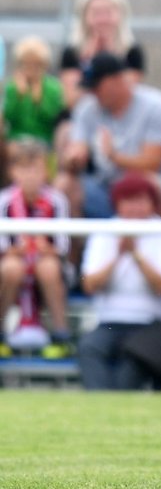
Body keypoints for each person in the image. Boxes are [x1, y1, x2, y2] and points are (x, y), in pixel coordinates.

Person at [77, 173, 161, 390]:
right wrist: (117, 256)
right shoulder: (105, 232)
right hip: (110, 322)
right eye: (128, 200)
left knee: (134, 358)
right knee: (89, 347)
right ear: (117, 204)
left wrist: (135, 255)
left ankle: (115, 409)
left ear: (152, 203)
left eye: (140, 200)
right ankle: (99, 406)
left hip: (152, 323)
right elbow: (89, 285)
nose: (134, 207)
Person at [59, 51, 161, 219]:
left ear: (116, 80)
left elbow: (154, 163)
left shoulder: (155, 106)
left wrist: (114, 156)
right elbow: (77, 147)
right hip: (104, 188)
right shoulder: (87, 108)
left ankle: (153, 242)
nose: (92, 93)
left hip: (147, 189)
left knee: (151, 184)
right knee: (65, 184)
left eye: (96, 86)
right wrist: (74, 159)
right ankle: (70, 245)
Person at [0, 139, 72, 357]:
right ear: (13, 172)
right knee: (11, 267)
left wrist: (45, 247)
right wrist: (16, 250)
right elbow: (3, 245)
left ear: (46, 172)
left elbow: (63, 245)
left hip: (47, 265)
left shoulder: (57, 200)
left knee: (48, 267)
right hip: (14, 264)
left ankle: (61, 335)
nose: (30, 175)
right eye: (24, 168)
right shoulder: (4, 200)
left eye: (36, 168)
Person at [59, 0, 145, 112]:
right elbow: (71, 101)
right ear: (84, 16)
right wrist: (89, 62)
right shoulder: (72, 52)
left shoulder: (132, 51)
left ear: (120, 14)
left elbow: (126, 97)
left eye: (108, 12)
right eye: (96, 13)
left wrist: (110, 59)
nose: (103, 19)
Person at [3, 36, 66, 152]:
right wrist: (19, 96)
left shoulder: (53, 87)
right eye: (26, 63)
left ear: (44, 65)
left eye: (35, 64)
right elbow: (8, 116)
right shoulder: (12, 86)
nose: (30, 68)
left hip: (44, 141)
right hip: (16, 140)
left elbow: (53, 117)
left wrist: (38, 100)